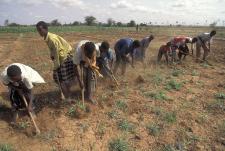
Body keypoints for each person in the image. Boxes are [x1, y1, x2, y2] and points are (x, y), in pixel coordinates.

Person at [36, 21, 75, 102]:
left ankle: (68, 97)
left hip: (64, 58)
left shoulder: (51, 39)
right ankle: (66, 94)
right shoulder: (47, 37)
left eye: (40, 30)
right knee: (60, 79)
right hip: (62, 57)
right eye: (38, 30)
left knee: (61, 79)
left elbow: (57, 54)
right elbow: (54, 51)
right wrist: (52, 55)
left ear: (45, 29)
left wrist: (56, 66)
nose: (39, 32)